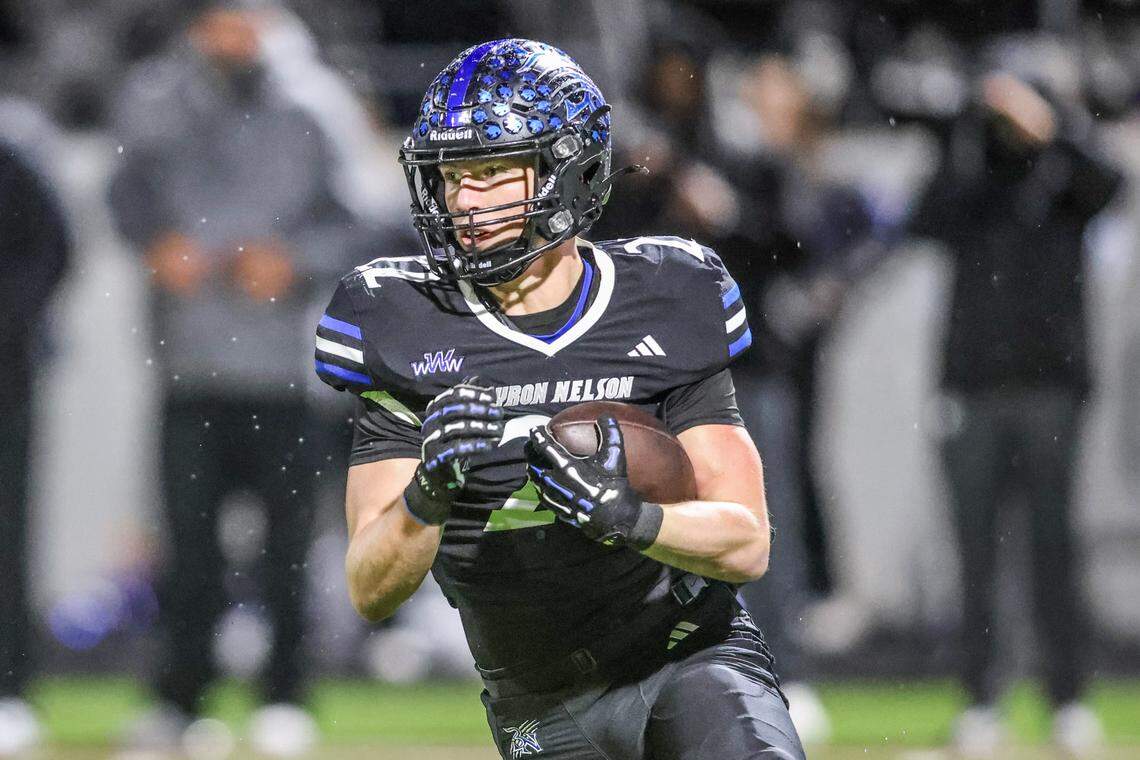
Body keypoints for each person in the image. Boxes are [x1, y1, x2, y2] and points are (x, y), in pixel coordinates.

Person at [315, 39, 805, 759]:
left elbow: (746, 541)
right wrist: (428, 492)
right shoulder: (399, 316)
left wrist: (630, 517)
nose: (465, 201)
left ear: (569, 171)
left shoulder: (667, 294)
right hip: (535, 698)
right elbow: (371, 587)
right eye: (451, 176)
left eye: (491, 172)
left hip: (688, 658)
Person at [108, 4, 362, 754]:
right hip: (187, 359)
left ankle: (286, 696)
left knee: (289, 548)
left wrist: (294, 260)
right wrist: (155, 243)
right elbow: (123, 195)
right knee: (187, 548)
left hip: (287, 369)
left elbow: (366, 218)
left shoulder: (317, 101)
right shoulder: (155, 95)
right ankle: (180, 700)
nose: (227, 33)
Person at [911, 72, 1123, 757]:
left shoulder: (1063, 176)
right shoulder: (971, 174)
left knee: (1054, 549)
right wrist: (969, 135)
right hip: (973, 386)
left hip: (1051, 387)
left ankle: (1067, 698)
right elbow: (925, 218)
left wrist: (1053, 130)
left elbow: (1109, 185)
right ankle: (982, 699)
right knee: (976, 553)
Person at [0, 137, 71, 758]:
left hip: (5, 379)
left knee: (5, 539)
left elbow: (53, 249)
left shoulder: (13, 161)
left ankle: (7, 688)